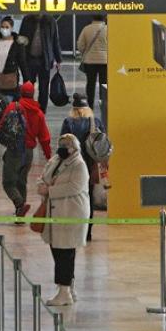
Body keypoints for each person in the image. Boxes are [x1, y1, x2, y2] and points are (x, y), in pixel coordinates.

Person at [37, 134, 91, 306]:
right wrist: (41, 186)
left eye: (67, 145)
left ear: (74, 148)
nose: (63, 148)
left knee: (65, 253)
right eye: (61, 144)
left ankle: (64, 291)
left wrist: (50, 191)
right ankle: (68, 287)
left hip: (71, 213)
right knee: (58, 250)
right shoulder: (55, 159)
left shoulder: (79, 165)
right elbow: (44, 175)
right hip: (55, 213)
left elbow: (75, 187)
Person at [0, 81, 52, 217]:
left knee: (8, 182)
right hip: (28, 153)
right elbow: (44, 138)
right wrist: (48, 156)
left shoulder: (13, 107)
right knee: (21, 181)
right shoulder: (38, 113)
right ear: (33, 94)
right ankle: (20, 213)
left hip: (14, 150)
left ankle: (19, 204)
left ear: (21, 92)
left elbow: (1, 126)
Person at [61, 93, 106, 241]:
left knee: (74, 197)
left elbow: (62, 147)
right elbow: (103, 145)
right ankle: (88, 232)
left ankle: (75, 229)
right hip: (91, 165)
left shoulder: (69, 122)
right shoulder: (96, 121)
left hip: (74, 166)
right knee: (89, 198)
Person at [19, 14, 63, 114]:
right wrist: (20, 57)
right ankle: (27, 109)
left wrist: (58, 59)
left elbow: (55, 40)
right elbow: (20, 39)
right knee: (28, 87)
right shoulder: (27, 19)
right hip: (29, 59)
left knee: (43, 88)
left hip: (45, 60)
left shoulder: (50, 21)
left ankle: (41, 111)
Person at [0, 16, 29, 102]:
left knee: (9, 105)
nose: (4, 29)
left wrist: (27, 80)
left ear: (11, 28)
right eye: (2, 27)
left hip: (11, 80)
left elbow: (22, 63)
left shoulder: (17, 44)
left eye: (7, 27)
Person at [77, 14, 109, 116]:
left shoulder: (86, 29)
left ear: (92, 17)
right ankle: (103, 105)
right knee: (103, 84)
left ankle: (90, 107)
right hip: (104, 61)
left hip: (90, 61)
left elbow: (80, 45)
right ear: (104, 18)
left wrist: (85, 53)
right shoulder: (108, 29)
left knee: (90, 84)